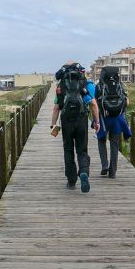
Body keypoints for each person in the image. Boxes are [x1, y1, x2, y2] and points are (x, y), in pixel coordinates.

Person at [51, 61, 99, 193]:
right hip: (81, 120)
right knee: (82, 150)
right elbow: (93, 104)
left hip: (66, 121)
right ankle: (83, 172)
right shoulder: (84, 84)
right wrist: (97, 122)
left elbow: (56, 108)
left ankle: (71, 181)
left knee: (68, 150)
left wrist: (53, 125)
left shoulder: (61, 86)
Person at [94, 66, 132, 178]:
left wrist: (96, 119)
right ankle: (113, 172)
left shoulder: (99, 86)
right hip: (117, 119)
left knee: (101, 140)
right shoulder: (120, 85)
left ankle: (104, 165)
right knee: (114, 144)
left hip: (103, 118)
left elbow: (95, 103)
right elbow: (127, 102)